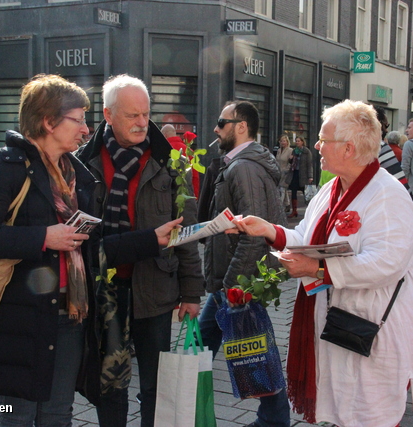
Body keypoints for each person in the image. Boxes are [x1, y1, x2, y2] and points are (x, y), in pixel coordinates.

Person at [232, 100, 413, 426]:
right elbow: (307, 236)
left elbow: (386, 263)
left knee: (369, 411)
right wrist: (269, 230)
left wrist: (316, 270)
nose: (316, 146)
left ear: (348, 147)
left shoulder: (388, 195)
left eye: (322, 139)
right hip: (335, 322)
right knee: (345, 408)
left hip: (370, 328)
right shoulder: (333, 188)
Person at [0, 74, 99, 424]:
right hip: (18, 319)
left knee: (57, 415)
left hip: (68, 315)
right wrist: (43, 238)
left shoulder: (74, 173)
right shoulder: (9, 167)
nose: (85, 130)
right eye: (78, 119)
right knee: (16, 418)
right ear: (49, 121)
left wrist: (151, 239)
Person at [77, 74, 205, 427]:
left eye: (146, 115)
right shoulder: (82, 161)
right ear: (107, 114)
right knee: (110, 383)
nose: (141, 123)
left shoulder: (170, 162)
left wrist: (192, 292)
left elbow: (187, 233)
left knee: (156, 384)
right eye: (132, 115)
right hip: (105, 291)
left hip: (156, 289)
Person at [199, 100, 290, 427]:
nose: (215, 129)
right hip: (232, 280)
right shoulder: (238, 164)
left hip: (236, 282)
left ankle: (275, 419)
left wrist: (232, 284)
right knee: (220, 346)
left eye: (221, 122)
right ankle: (273, 418)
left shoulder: (244, 168)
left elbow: (254, 232)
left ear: (240, 126)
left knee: (253, 349)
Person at [161, 123, 200, 198]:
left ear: (164, 135)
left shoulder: (161, 150)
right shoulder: (189, 151)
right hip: (185, 196)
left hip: (165, 196)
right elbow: (195, 177)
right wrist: (195, 197)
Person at [287, 136, 313, 218]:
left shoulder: (306, 151)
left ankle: (309, 211)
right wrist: (290, 159)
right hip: (295, 173)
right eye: (296, 141)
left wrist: (310, 176)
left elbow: (309, 164)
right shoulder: (294, 151)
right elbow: (291, 163)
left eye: (298, 141)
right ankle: (294, 211)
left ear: (302, 142)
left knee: (305, 193)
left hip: (303, 175)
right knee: (293, 191)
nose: (297, 142)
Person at [276, 134, 292, 213]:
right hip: (279, 171)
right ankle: (287, 204)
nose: (283, 142)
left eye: (284, 141)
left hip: (286, 172)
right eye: (281, 141)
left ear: (287, 142)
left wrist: (287, 169)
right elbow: (277, 160)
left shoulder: (290, 150)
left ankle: (280, 206)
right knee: (283, 188)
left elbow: (291, 162)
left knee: (282, 188)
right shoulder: (279, 150)